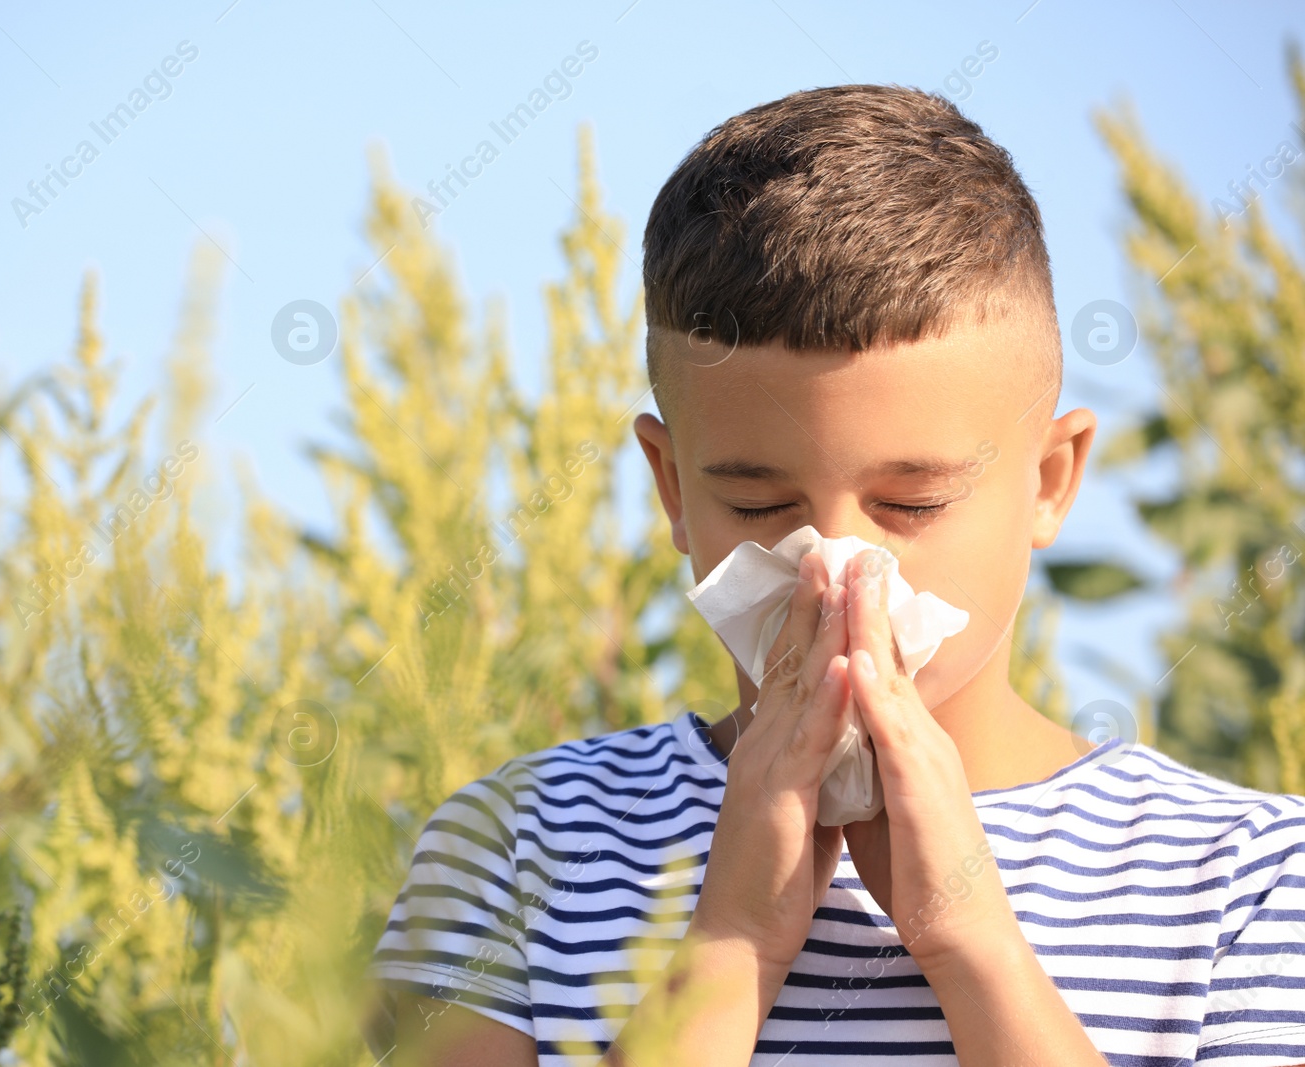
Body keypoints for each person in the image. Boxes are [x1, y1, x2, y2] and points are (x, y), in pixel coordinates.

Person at [359, 84, 1305, 1065]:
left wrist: (970, 941)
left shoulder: (1247, 880)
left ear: (1049, 482)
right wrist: (727, 947)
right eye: (760, 506)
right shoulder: (516, 851)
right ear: (674, 489)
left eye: (913, 504)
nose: (835, 572)